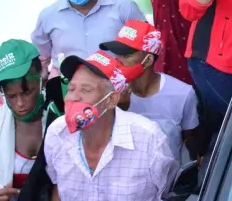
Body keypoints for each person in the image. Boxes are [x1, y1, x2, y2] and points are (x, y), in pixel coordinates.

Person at [46, 51, 177, 199]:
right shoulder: (56, 133)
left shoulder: (149, 139)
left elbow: (166, 192)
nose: (73, 97)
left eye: (86, 90)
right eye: (71, 88)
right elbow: (58, 189)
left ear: (111, 100)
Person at [101, 20, 200, 160]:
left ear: (147, 60)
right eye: (116, 54)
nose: (118, 61)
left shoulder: (182, 93)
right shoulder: (109, 92)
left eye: (126, 55)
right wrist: (120, 107)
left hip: (169, 174)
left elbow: (190, 137)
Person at [31, 0, 145, 71]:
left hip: (114, 82)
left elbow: (145, 45)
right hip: (68, 85)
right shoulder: (48, 16)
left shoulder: (124, 8)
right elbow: (41, 59)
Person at [0, 39, 47, 201]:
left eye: (27, 92)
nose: (20, 104)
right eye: (11, 96)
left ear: (41, 80)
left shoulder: (58, 117)